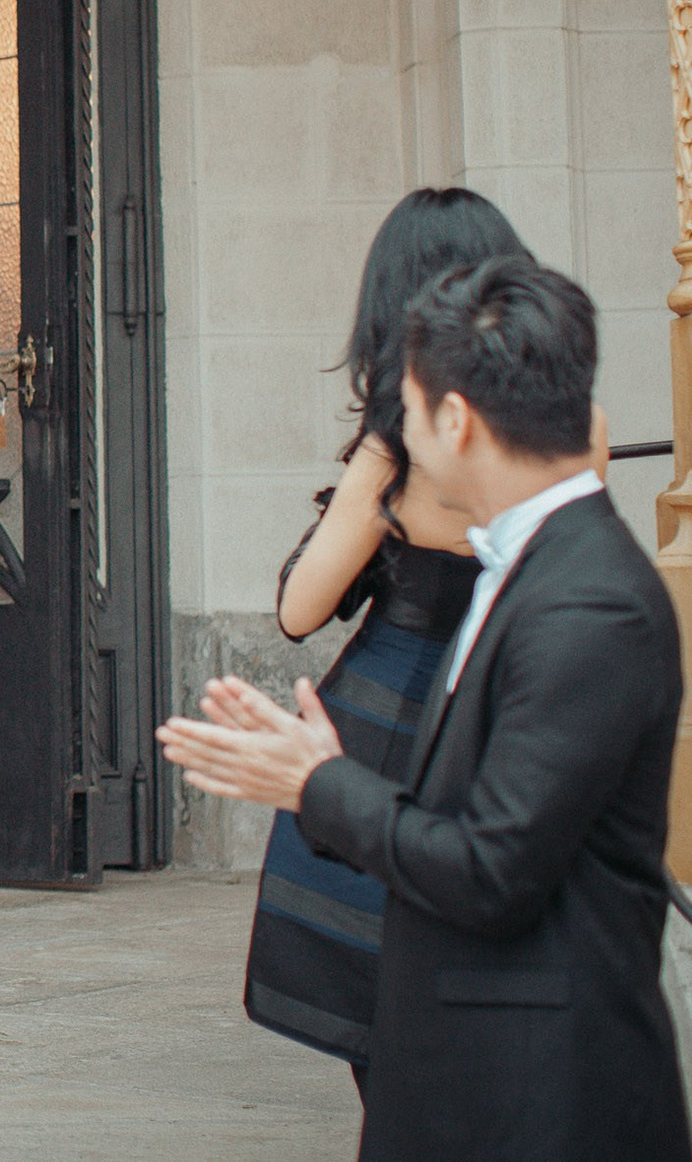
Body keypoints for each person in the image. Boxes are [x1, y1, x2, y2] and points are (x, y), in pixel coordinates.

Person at [161, 257, 691, 1162]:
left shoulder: (587, 604)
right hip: (472, 1076)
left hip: (537, 1099)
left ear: (455, 419)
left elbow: (492, 868)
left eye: (406, 405)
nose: (395, 429)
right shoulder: (527, 561)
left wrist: (317, 784)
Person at [245, 189, 533, 1075]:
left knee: (395, 1028)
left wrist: (373, 472)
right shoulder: (550, 431)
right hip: (507, 707)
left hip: (390, 719)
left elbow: (300, 611)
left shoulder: (397, 453)